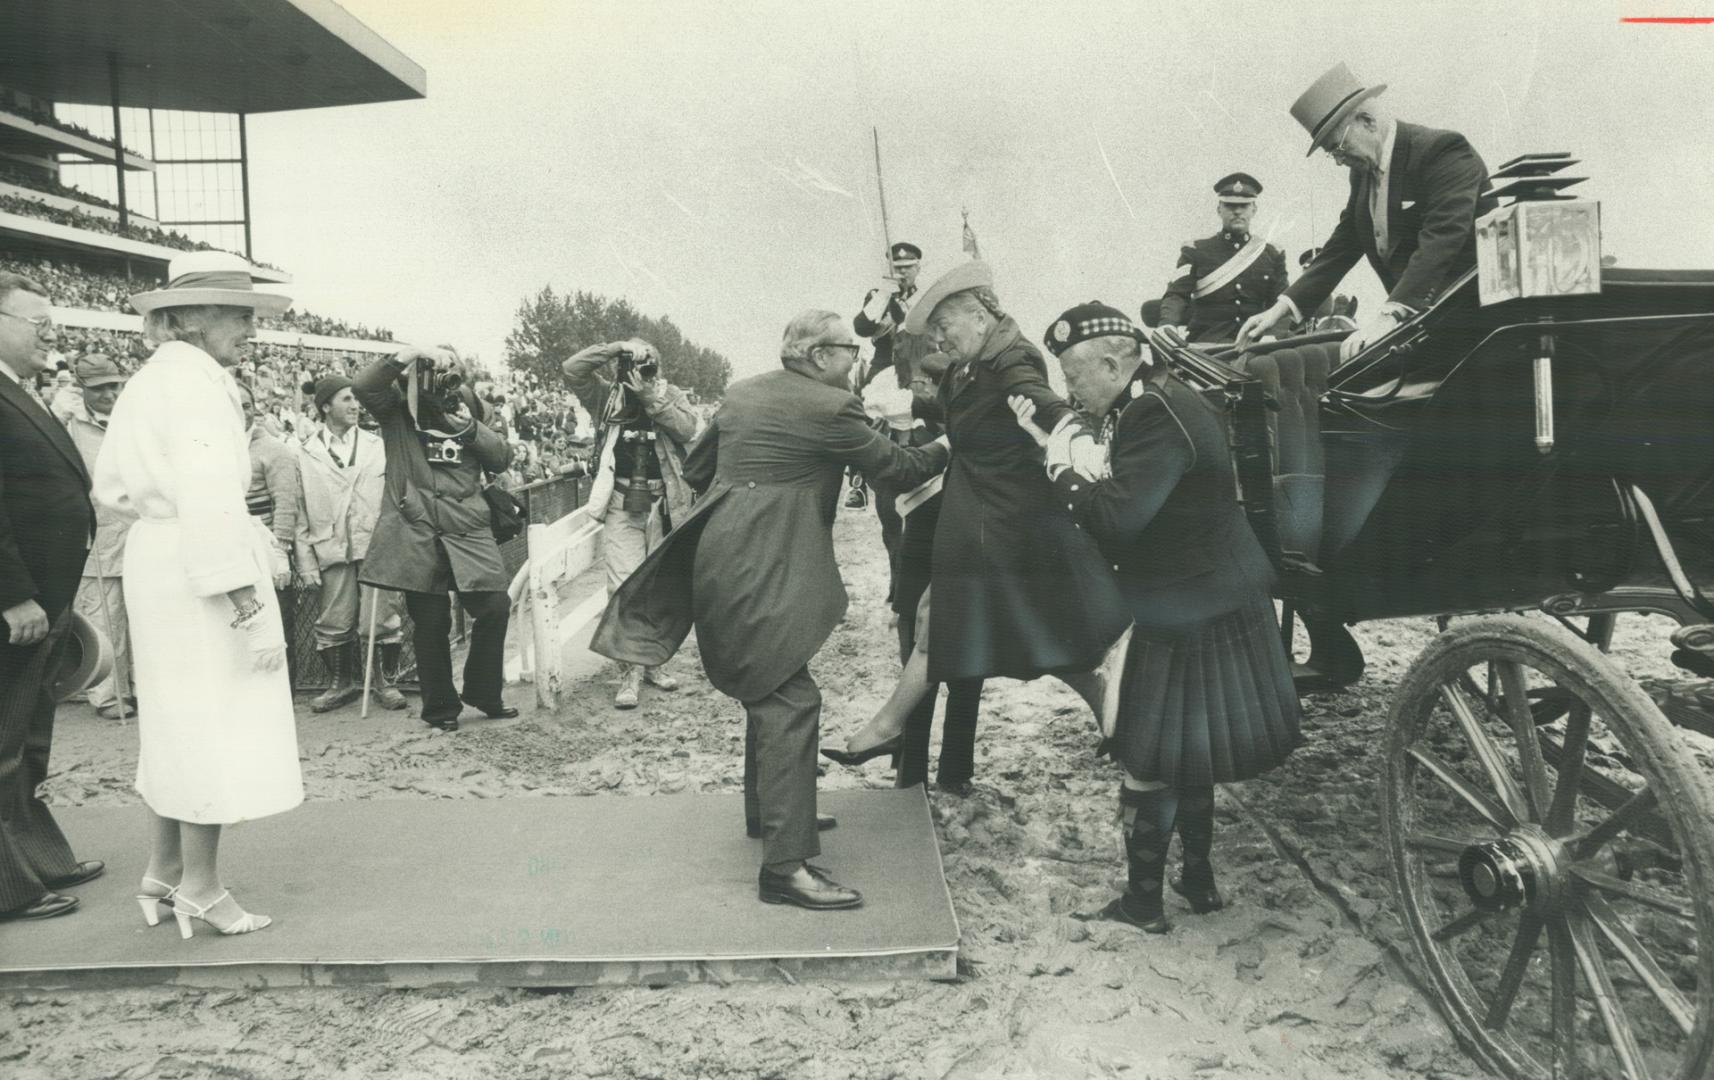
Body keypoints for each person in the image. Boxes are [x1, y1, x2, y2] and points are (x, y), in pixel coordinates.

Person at [590, 311, 949, 910]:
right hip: (763, 563)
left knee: (768, 684)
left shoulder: (742, 392)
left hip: (721, 552)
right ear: (815, 355)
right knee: (790, 698)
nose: (856, 359)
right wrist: (949, 441)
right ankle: (785, 869)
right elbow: (899, 468)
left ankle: (771, 817)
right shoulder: (831, 407)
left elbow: (701, 467)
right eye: (847, 349)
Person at [1020, 302, 1301, 932]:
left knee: (1147, 759)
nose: (1071, 392)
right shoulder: (1156, 396)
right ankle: (1197, 882)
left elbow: (1118, 520)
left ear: (1114, 363)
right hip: (1218, 596)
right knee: (1191, 751)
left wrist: (1061, 470)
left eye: (1075, 377)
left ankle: (1143, 902)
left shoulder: (1151, 412)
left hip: (1186, 608)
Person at [827, 263, 1130, 768]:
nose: (940, 339)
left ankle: (886, 728)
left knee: (944, 618)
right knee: (1016, 632)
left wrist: (1078, 441)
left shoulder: (1011, 358)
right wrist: (909, 404)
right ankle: (1112, 712)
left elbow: (1047, 406)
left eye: (946, 326)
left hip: (1004, 521)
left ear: (976, 312)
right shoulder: (974, 362)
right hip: (981, 514)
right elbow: (969, 416)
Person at [95, 251, 306, 938]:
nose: (251, 327)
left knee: (177, 719)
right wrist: (247, 607)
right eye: (236, 312)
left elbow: (115, 489)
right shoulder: (198, 386)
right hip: (199, 562)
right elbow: (212, 503)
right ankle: (202, 886)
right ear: (190, 317)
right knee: (213, 720)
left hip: (160, 556)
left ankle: (162, 869)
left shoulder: (150, 380)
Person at [1237, 63, 1495, 360]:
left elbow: (1441, 240)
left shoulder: (1442, 152)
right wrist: (1278, 310)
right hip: (1421, 331)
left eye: (1339, 147)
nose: (1338, 160)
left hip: (1475, 334)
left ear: (1368, 121)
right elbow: (1341, 248)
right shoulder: (1362, 174)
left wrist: (1389, 317)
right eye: (1331, 153)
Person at [0, 271, 102, 924]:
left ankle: (38, 856)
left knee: (30, 738)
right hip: (21, 602)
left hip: (49, 593)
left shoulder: (19, 391)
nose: (52, 335)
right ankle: (10, 888)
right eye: (39, 324)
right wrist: (13, 596)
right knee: (5, 740)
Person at [353, 346, 515, 732]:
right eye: (435, 372)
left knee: (494, 607)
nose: (444, 381)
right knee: (430, 622)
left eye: (452, 370)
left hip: (468, 529)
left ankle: (484, 692)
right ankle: (441, 708)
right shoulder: (396, 408)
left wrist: (468, 427)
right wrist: (411, 355)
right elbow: (362, 384)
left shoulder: (471, 404)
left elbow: (502, 457)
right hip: (417, 529)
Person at [561, 337, 699, 709]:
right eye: (635, 364)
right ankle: (629, 671)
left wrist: (652, 396)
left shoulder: (671, 395)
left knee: (658, 587)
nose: (642, 371)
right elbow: (572, 369)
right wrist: (617, 349)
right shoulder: (606, 396)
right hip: (622, 505)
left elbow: (688, 430)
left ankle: (652, 662)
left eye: (649, 363)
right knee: (624, 588)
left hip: (664, 504)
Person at [890, 350, 985, 795]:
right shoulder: (911, 433)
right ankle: (910, 776)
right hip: (918, 571)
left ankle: (955, 774)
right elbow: (895, 485)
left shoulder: (976, 432)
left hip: (967, 571)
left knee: (968, 679)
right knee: (917, 680)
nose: (916, 391)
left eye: (922, 384)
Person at [293, 375, 407, 713]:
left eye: (357, 399)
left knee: (382, 617)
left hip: (375, 545)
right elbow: (300, 512)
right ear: (325, 406)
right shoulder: (304, 453)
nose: (356, 405)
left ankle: (385, 683)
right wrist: (306, 562)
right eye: (346, 399)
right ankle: (341, 684)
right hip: (331, 547)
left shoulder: (377, 445)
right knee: (333, 619)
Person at [850, 242, 933, 608]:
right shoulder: (879, 294)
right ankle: (856, 478)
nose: (903, 272)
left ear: (918, 267)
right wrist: (885, 293)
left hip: (924, 369)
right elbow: (863, 325)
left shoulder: (930, 297)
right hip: (888, 370)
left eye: (909, 267)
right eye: (898, 267)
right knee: (867, 413)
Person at [64, 353, 138, 719]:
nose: (110, 394)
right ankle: (109, 695)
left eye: (114, 385)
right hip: (98, 537)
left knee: (143, 617)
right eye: (100, 388)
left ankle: (142, 688)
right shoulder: (70, 425)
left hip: (139, 533)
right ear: (82, 389)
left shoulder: (134, 417)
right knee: (104, 618)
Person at [1157, 174, 1289, 344]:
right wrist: (1167, 324)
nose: (1237, 211)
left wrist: (1273, 334)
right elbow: (1176, 294)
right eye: (1230, 205)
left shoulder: (1272, 254)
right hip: (1209, 341)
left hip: (1258, 340)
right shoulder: (1196, 250)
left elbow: (1282, 300)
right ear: (1219, 209)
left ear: (1254, 209)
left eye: (1244, 205)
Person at [236, 381, 302, 676]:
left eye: (247, 405)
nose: (241, 411)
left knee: (275, 631)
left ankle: (283, 701)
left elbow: (286, 503)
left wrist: (280, 554)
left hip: (265, 554)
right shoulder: (210, 445)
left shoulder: (273, 449)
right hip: (228, 553)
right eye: (233, 405)